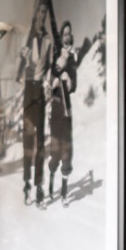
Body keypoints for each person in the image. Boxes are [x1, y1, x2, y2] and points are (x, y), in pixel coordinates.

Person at [16, 0, 54, 206]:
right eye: (39, 12)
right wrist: (22, 58)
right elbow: (18, 69)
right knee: (27, 140)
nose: (42, 16)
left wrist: (48, 80)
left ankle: (39, 185)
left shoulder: (48, 40)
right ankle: (26, 184)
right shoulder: (26, 37)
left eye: (44, 13)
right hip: (28, 89)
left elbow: (48, 65)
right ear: (35, 15)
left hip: (40, 89)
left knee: (40, 140)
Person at [48, 20, 77, 206]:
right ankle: (51, 184)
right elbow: (50, 79)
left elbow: (75, 82)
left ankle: (65, 193)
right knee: (56, 148)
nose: (66, 36)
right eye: (64, 33)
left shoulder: (72, 57)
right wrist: (55, 82)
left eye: (69, 34)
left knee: (67, 149)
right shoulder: (56, 55)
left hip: (67, 109)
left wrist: (68, 81)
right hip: (56, 107)